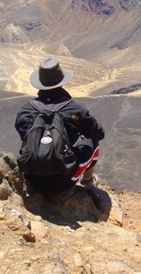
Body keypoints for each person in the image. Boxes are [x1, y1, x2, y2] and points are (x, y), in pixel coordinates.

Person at [15, 57, 104, 192]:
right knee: (93, 142)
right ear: (61, 82)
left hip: (31, 178)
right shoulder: (74, 109)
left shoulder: (26, 110)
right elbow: (98, 133)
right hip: (64, 181)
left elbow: (24, 136)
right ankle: (88, 181)